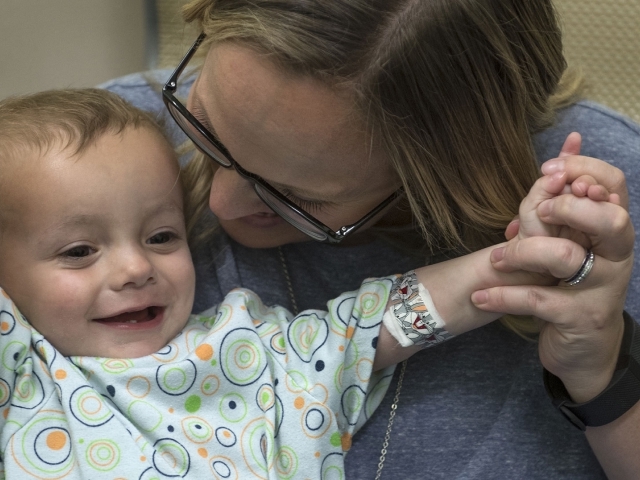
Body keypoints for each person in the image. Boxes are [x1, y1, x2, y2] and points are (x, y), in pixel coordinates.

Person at [100, 0, 640, 477]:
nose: (220, 205)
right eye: (204, 125)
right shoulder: (77, 163)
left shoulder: (599, 212)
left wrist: (605, 377)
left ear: (450, 173)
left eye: (298, 197)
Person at [0, 88, 583, 478]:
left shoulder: (255, 348)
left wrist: (520, 255)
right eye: (79, 251)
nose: (135, 269)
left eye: (161, 237)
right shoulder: (23, 369)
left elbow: (381, 320)